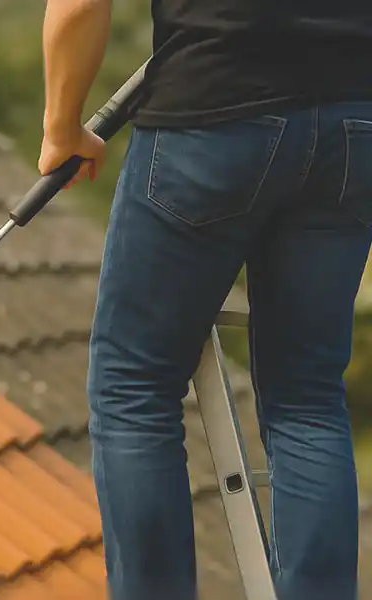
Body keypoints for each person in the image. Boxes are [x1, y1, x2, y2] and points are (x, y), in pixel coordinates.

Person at [38, 1, 372, 599]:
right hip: (354, 126)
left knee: (133, 388)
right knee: (309, 397)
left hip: (213, 112)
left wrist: (62, 127)